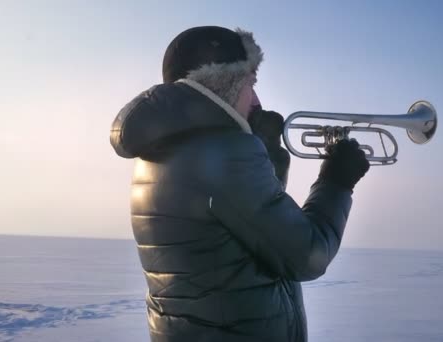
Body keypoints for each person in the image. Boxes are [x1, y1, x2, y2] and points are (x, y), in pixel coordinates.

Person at [110, 26, 369, 342]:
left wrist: (267, 154)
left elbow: (245, 229)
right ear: (225, 85)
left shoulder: (158, 152)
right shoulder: (226, 153)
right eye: (251, 83)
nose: (257, 99)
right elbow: (307, 255)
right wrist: (336, 183)